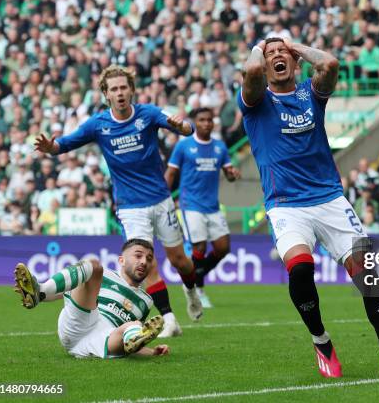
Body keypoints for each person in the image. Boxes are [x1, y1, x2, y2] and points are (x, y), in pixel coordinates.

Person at [238, 37, 379, 379]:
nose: (277, 57)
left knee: (366, 275)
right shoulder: (257, 101)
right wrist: (262, 47)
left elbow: (330, 64)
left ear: (295, 62)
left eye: (283, 54)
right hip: (286, 205)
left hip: (331, 199)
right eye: (270, 54)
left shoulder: (311, 93)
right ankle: (321, 340)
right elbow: (250, 70)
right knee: (301, 269)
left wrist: (293, 46)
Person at [34, 65, 202, 338]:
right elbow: (63, 145)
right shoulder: (98, 124)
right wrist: (50, 147)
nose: (120, 92)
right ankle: (169, 319)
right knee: (145, 262)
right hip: (130, 206)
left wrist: (183, 126)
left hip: (161, 200)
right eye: (114, 89)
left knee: (181, 261)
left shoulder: (148, 114)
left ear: (132, 90)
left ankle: (191, 291)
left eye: (124, 87)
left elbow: (186, 128)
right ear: (106, 94)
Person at [14, 239, 168, 358]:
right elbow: (65, 292)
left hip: (104, 340)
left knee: (133, 326)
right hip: (82, 321)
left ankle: (39, 293)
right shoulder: (103, 276)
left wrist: (153, 352)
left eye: (149, 259)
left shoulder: (146, 301)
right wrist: (44, 296)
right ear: (121, 260)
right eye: (138, 255)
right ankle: (40, 291)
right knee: (94, 267)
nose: (143, 261)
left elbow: (131, 344)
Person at [165, 107, 241, 308]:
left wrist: (233, 174)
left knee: (223, 248)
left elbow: (229, 174)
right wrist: (164, 198)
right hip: (190, 205)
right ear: (194, 122)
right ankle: (198, 289)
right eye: (201, 120)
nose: (206, 123)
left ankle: (194, 274)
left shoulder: (220, 147)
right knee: (199, 247)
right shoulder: (183, 146)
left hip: (213, 206)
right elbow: (171, 174)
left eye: (209, 120)